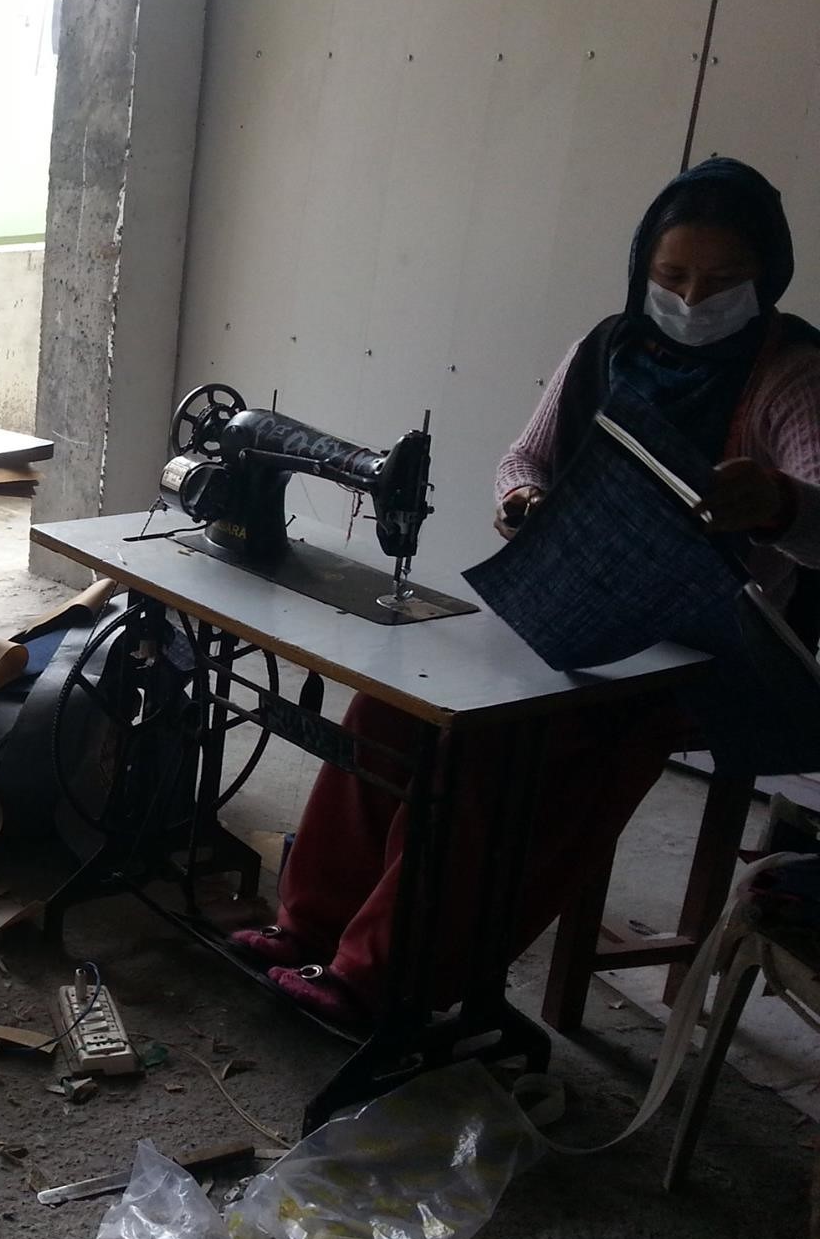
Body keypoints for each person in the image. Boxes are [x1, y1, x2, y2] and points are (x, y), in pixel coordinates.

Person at [232, 157, 820, 1023]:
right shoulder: (607, 349)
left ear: (768, 276)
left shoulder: (790, 377)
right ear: (643, 268)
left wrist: (776, 502)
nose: (694, 299)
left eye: (723, 281)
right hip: (570, 604)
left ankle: (381, 978)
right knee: (395, 707)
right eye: (673, 278)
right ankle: (308, 926)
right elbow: (524, 458)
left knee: (495, 752)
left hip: (698, 654)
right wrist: (521, 499)